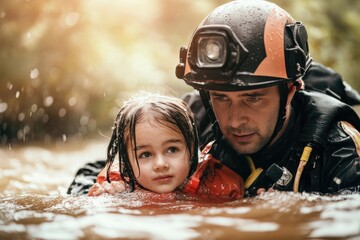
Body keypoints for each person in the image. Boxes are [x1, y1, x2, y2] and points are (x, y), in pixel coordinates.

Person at [175, 0, 360, 196]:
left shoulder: (338, 148)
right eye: (220, 98)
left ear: (290, 91)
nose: (235, 120)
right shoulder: (187, 128)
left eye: (253, 98)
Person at [74, 92, 244, 199]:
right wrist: (103, 198)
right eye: (146, 154)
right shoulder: (117, 186)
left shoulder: (220, 184)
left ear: (192, 150)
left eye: (172, 149)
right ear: (127, 163)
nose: (161, 164)